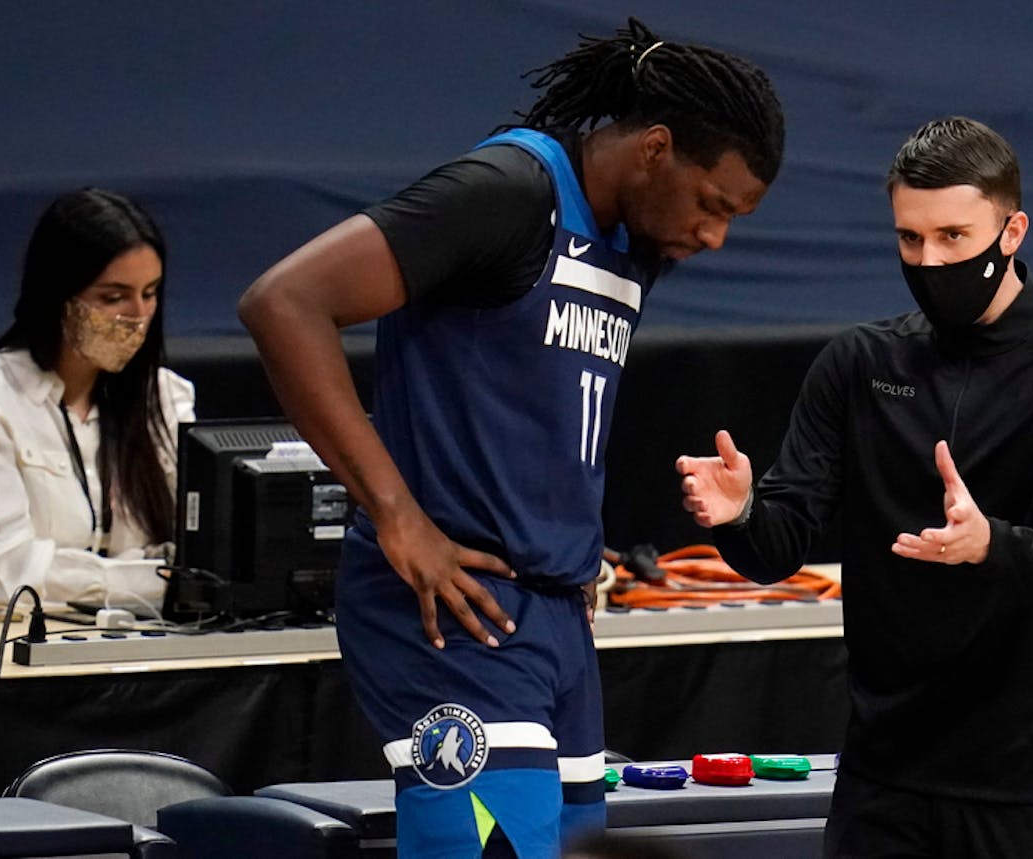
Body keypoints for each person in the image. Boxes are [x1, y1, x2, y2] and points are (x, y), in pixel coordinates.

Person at [237, 18, 783, 859]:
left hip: (555, 616)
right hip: (459, 611)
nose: (716, 237)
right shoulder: (506, 191)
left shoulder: (635, 240)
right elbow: (283, 302)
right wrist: (397, 517)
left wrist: (568, 547)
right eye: (713, 204)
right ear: (655, 149)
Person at [676, 117, 1033, 857]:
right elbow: (782, 543)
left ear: (1012, 230)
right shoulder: (858, 363)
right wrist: (740, 515)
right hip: (886, 781)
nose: (929, 261)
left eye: (953, 237)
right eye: (909, 239)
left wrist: (991, 544)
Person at [0, 188, 194, 611]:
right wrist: (155, 579)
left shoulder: (167, 397)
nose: (137, 316)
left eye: (150, 293)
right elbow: (8, 578)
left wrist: (64, 574)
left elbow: (203, 556)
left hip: (149, 655)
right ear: (57, 298)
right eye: (112, 298)